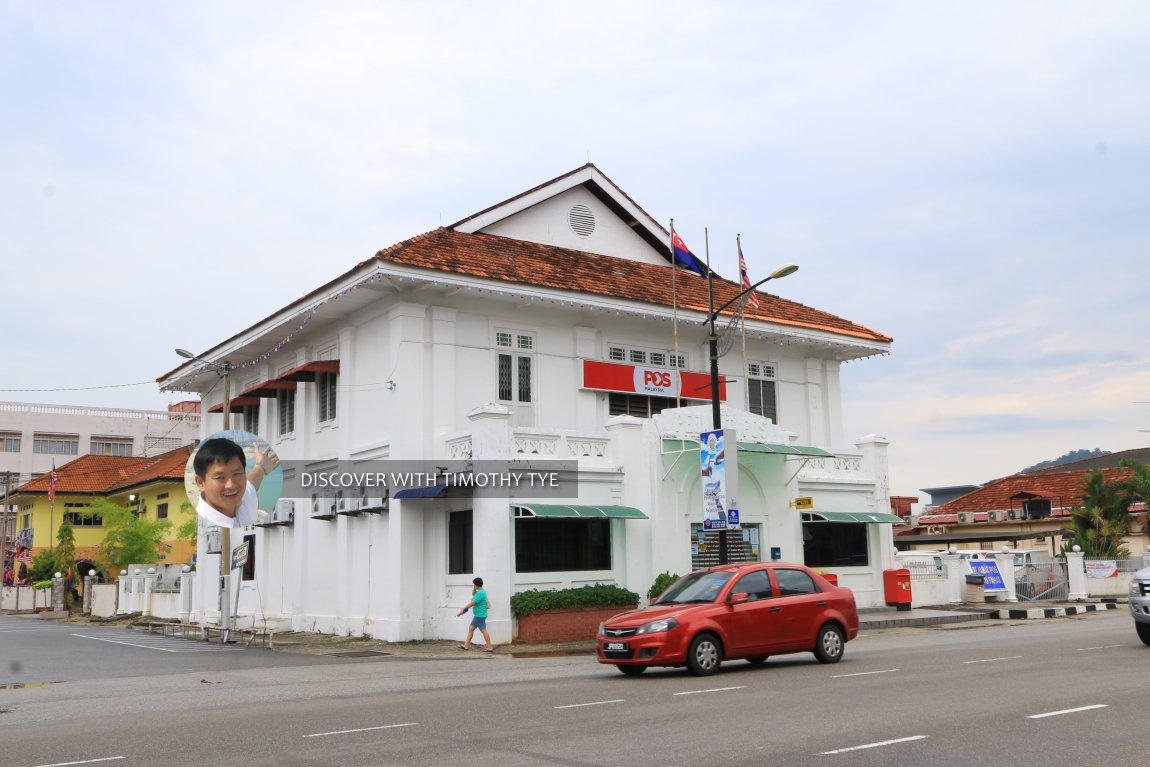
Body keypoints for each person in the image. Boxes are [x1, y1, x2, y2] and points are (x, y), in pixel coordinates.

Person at [193, 437, 279, 528]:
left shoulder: (244, 498)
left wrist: (261, 467)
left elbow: (252, 482)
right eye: (220, 477)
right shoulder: (205, 522)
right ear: (200, 483)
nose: (231, 485)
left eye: (237, 474)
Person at [456, 576, 494, 653]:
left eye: (474, 585)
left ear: (476, 585)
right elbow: (473, 593)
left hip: (480, 615)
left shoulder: (480, 593)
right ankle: (466, 645)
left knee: (483, 630)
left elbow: (473, 603)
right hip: (478, 615)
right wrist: (474, 587)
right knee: (471, 628)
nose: (473, 586)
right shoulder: (480, 591)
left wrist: (464, 608)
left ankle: (490, 647)